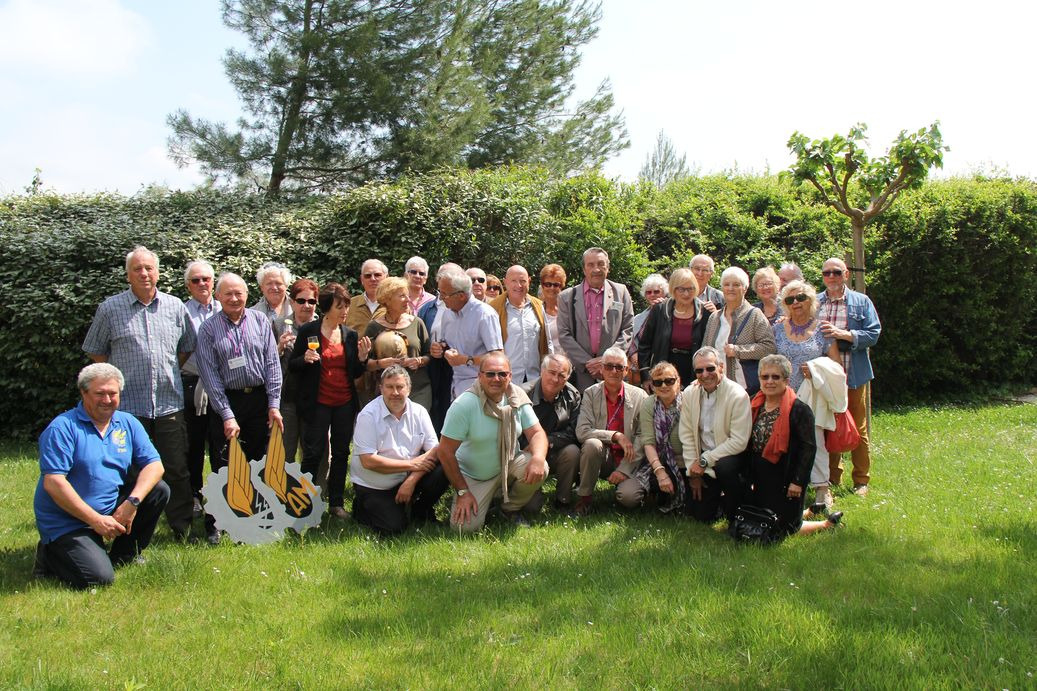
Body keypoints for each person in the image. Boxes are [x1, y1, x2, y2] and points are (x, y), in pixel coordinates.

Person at [82, 246, 195, 540]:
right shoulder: (110, 308)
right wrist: (116, 380)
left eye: (149, 268)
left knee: (176, 468)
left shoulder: (175, 307)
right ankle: (127, 529)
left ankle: (181, 528)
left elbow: (186, 346)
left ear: (157, 272)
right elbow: (95, 349)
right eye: (137, 269)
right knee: (128, 472)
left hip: (169, 404)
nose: (144, 273)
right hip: (127, 408)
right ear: (127, 275)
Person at [33, 363, 170, 589]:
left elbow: (155, 465)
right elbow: (54, 483)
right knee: (98, 579)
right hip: (67, 521)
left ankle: (124, 555)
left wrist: (131, 503)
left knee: (158, 490)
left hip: (108, 511)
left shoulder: (127, 423)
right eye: (99, 393)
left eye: (112, 393)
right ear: (83, 393)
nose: (107, 400)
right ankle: (49, 554)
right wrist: (95, 521)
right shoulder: (63, 428)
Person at [196, 272, 283, 544]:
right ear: (218, 296)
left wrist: (273, 404)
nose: (234, 298)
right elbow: (209, 375)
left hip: (258, 401)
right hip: (227, 402)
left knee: (257, 463)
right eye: (228, 293)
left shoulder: (260, 320)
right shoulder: (208, 329)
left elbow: (272, 364)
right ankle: (216, 525)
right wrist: (227, 415)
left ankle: (253, 521)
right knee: (225, 465)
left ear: (247, 295)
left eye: (239, 293)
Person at [438, 353, 549, 531]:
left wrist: (537, 458)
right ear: (479, 376)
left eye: (502, 374)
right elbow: (445, 452)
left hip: (509, 464)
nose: (496, 379)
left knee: (540, 466)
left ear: (510, 376)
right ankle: (484, 500)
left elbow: (536, 432)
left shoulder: (516, 395)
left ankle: (508, 508)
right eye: (490, 374)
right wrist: (462, 491)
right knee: (463, 530)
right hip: (475, 476)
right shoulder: (464, 405)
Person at [289, 282, 371, 520]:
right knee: (313, 453)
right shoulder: (309, 332)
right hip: (318, 403)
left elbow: (354, 372)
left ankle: (335, 504)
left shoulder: (349, 335)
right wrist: (304, 358)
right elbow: (293, 366)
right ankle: (303, 504)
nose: (345, 311)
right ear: (327, 308)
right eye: (340, 306)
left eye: (346, 306)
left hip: (344, 403)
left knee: (341, 453)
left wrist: (363, 359)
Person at [743, 354, 843, 539]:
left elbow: (808, 449)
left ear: (786, 380)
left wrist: (797, 482)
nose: (770, 381)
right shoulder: (754, 404)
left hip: (787, 479)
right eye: (765, 377)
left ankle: (826, 524)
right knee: (764, 518)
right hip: (761, 475)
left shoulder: (800, 410)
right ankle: (808, 512)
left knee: (782, 530)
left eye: (776, 377)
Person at [349, 366, 449, 534]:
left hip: (407, 477)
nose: (395, 392)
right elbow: (368, 461)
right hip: (376, 486)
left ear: (409, 389)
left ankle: (421, 510)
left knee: (444, 468)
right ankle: (361, 507)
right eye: (389, 387)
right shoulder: (368, 416)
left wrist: (411, 480)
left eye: (400, 387)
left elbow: (435, 449)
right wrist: (411, 464)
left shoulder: (419, 412)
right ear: (381, 389)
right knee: (394, 529)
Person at [774, 280, 842, 510]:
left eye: (801, 298)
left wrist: (815, 367)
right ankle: (790, 488)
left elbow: (836, 364)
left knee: (814, 442)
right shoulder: (777, 328)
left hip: (812, 396)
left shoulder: (823, 328)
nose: (796, 303)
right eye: (790, 300)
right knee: (785, 441)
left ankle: (823, 490)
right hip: (784, 396)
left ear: (811, 300)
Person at [818, 257, 881, 496]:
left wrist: (843, 335)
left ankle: (861, 481)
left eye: (836, 272)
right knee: (828, 425)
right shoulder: (815, 301)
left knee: (858, 428)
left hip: (852, 373)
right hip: (825, 377)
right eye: (827, 273)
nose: (831, 277)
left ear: (846, 274)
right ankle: (833, 477)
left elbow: (873, 333)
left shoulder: (860, 301)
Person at [679, 347, 750, 526]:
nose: (705, 374)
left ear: (721, 367)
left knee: (725, 467)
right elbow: (686, 434)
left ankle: (739, 506)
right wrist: (692, 472)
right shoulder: (690, 393)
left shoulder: (737, 395)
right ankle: (721, 502)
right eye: (699, 370)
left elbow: (739, 442)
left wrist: (704, 461)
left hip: (731, 459)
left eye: (710, 368)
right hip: (703, 461)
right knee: (701, 515)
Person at [573, 347, 648, 515]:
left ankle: (629, 486)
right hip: (603, 457)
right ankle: (584, 499)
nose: (614, 371)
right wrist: (615, 436)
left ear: (627, 370)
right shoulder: (591, 394)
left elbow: (643, 437)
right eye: (608, 366)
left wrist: (624, 469)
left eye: (619, 367)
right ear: (601, 369)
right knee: (592, 444)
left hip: (630, 458)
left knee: (629, 498)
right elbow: (582, 431)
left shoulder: (640, 396)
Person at [556, 247, 634, 392]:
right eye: (590, 265)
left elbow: (628, 329)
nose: (596, 269)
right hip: (582, 372)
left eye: (600, 264)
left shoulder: (621, 292)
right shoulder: (567, 297)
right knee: (584, 412)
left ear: (608, 267)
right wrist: (589, 363)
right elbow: (564, 334)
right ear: (584, 269)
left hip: (613, 370)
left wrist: (607, 361)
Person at [181, 260, 221, 518]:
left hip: (223, 385)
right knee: (194, 445)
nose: (202, 284)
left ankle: (221, 495)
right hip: (193, 384)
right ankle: (194, 494)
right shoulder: (181, 311)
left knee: (221, 444)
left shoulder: (225, 307)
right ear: (188, 286)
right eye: (196, 280)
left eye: (206, 279)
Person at [702, 266, 776, 396]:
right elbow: (705, 350)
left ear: (745, 288)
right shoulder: (715, 317)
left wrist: (738, 351)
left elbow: (769, 348)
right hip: (716, 387)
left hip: (745, 389)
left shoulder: (755, 315)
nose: (730, 288)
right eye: (726, 284)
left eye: (736, 285)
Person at [429, 269, 504, 398]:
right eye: (439, 292)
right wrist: (439, 348)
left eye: (444, 294)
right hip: (454, 386)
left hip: (480, 388)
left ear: (461, 296)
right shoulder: (448, 313)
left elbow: (497, 357)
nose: (440, 298)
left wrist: (465, 360)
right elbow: (447, 343)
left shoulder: (485, 315)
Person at [521, 354, 582, 510]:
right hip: (525, 454)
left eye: (561, 375)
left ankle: (563, 500)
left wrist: (546, 442)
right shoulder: (522, 394)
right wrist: (534, 452)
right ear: (542, 371)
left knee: (573, 451)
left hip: (555, 450)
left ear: (568, 377)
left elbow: (574, 432)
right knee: (532, 507)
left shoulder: (573, 396)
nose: (555, 379)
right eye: (552, 372)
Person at [626, 361, 688, 513]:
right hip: (658, 462)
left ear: (678, 381)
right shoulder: (649, 404)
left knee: (698, 510)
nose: (664, 386)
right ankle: (655, 495)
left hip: (687, 463)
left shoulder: (689, 401)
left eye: (669, 381)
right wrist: (660, 473)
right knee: (628, 496)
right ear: (652, 386)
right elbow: (648, 442)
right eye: (658, 382)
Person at [364, 276, 433, 410]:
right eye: (402, 296)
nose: (408, 300)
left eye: (408, 296)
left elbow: (429, 355)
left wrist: (419, 361)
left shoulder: (417, 323)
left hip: (418, 389)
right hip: (389, 392)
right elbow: (365, 363)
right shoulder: (374, 326)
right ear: (387, 299)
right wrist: (381, 363)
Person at [272, 278, 320, 463]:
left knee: (315, 451)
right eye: (301, 300)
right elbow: (267, 362)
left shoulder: (323, 326)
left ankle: (315, 490)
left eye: (311, 301)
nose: (306, 305)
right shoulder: (278, 325)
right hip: (288, 396)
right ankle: (282, 490)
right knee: (284, 450)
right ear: (291, 302)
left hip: (315, 397)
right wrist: (279, 348)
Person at [637, 267, 707, 390]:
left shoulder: (704, 312)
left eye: (690, 288)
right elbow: (644, 345)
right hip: (662, 371)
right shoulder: (659, 310)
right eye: (681, 289)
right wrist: (646, 376)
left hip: (693, 373)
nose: (686, 293)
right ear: (673, 289)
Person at [419, 262, 464, 433]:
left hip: (461, 365)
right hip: (436, 367)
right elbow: (422, 341)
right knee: (437, 408)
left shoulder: (469, 307)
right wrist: (432, 349)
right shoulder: (428, 308)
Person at [489, 265, 552, 384]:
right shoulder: (493, 309)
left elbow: (548, 343)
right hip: (506, 380)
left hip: (535, 378)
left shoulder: (538, 306)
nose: (518, 285)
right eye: (513, 281)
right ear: (505, 282)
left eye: (523, 281)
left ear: (529, 281)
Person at [346, 259, 389, 406]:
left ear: (386, 277)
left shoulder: (394, 304)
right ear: (361, 280)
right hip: (356, 376)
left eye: (377, 275)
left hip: (386, 376)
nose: (373, 279)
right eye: (368, 276)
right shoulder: (349, 305)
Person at [630, 273, 669, 366]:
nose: (652, 295)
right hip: (642, 366)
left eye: (656, 292)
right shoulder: (638, 318)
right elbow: (629, 338)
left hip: (664, 363)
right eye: (648, 292)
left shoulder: (670, 312)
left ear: (664, 293)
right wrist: (633, 354)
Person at [538, 264, 567, 356]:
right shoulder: (536, 311)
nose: (552, 288)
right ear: (542, 286)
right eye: (548, 284)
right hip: (544, 364)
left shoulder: (568, 310)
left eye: (556, 285)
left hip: (566, 364)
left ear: (561, 286)